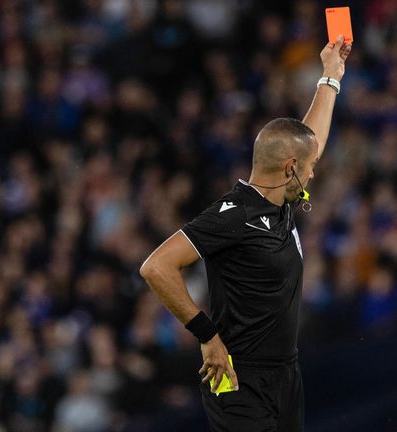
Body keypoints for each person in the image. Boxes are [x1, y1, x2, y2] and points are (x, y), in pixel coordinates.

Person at [139, 36, 351, 432]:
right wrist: (207, 336)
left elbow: (311, 141)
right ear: (290, 167)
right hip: (235, 376)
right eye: (308, 167)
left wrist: (331, 74)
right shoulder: (232, 216)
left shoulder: (281, 200)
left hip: (285, 375)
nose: (312, 173)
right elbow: (156, 267)